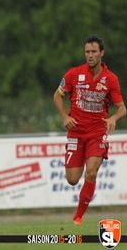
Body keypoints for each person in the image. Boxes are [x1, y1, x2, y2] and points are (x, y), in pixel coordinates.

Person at [53, 35, 126, 225]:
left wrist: (113, 118)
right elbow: (57, 96)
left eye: (94, 52)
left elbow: (122, 108)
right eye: (87, 52)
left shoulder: (111, 79)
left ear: (102, 53)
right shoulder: (73, 74)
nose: (90, 55)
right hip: (76, 133)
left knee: (91, 172)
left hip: (97, 133)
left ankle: (78, 217)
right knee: (72, 179)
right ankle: (79, 209)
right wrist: (65, 117)